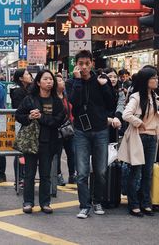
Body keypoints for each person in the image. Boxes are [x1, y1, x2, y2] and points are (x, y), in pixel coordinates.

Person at [69, 50, 116, 219]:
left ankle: (97, 201)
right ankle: (84, 205)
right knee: (81, 172)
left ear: (92, 63)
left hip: (101, 130)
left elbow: (111, 102)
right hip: (81, 131)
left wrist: (104, 86)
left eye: (86, 63)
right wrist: (77, 81)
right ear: (76, 64)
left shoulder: (101, 80)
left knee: (101, 171)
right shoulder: (73, 81)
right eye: (80, 64)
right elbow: (73, 102)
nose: (83, 67)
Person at [15, 70, 65, 214]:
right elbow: (19, 115)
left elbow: (58, 120)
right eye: (45, 79)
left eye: (51, 79)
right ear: (38, 82)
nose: (49, 81)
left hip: (49, 142)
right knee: (29, 174)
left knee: (45, 174)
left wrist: (41, 117)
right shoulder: (30, 99)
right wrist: (30, 117)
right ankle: (28, 202)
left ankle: (45, 203)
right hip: (32, 142)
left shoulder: (56, 101)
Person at [121, 66, 159, 217]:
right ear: (146, 80)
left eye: (156, 78)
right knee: (136, 172)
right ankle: (134, 204)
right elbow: (126, 114)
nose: (156, 80)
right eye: (154, 78)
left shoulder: (155, 97)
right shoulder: (136, 97)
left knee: (148, 172)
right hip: (139, 137)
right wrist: (139, 123)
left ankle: (146, 203)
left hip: (151, 138)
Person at [10, 69, 33, 187]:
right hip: (21, 124)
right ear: (20, 78)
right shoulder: (18, 91)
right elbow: (20, 108)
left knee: (24, 152)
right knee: (21, 152)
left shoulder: (28, 89)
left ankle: (22, 178)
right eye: (27, 74)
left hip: (28, 124)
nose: (29, 75)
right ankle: (20, 178)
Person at [55, 75, 76, 186]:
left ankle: (72, 175)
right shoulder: (52, 98)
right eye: (59, 80)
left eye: (62, 80)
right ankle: (58, 175)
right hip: (57, 129)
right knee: (57, 153)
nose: (62, 82)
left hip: (68, 128)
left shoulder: (66, 96)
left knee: (71, 152)